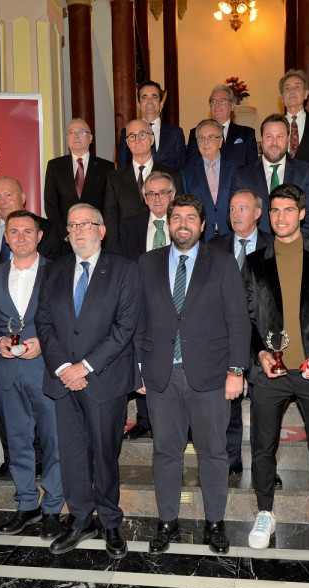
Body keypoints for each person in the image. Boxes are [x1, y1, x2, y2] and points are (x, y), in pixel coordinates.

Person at [135, 194, 250, 555]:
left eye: (190, 217)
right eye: (176, 217)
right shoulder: (147, 263)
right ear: (168, 224)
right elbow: (138, 320)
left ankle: (215, 523)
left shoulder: (222, 262)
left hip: (212, 375)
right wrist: (139, 367)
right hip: (161, 376)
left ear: (203, 225)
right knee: (165, 452)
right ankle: (167, 521)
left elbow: (238, 320)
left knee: (214, 453)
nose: (182, 223)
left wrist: (236, 370)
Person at [241, 183, 309, 555]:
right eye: (274, 211)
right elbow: (247, 318)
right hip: (270, 371)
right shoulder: (255, 262)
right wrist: (259, 354)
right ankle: (265, 512)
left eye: (288, 210)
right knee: (262, 447)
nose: (281, 217)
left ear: (302, 213)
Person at [34, 203, 141, 559]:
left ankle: (110, 521)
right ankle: (81, 519)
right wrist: (65, 367)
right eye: (72, 225)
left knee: (105, 455)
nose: (79, 231)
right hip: (63, 380)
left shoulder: (124, 269)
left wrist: (85, 367)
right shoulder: (54, 271)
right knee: (73, 455)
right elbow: (44, 322)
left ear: (102, 229)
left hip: (104, 379)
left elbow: (125, 326)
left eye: (86, 224)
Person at [0, 210, 65, 541]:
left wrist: (44, 343)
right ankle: (27, 503)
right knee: (17, 442)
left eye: (27, 231)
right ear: (6, 236)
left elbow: (69, 317)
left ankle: (53, 508)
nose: (20, 237)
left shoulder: (57, 271)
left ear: (39, 236)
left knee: (54, 441)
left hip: (46, 368)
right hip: (8, 370)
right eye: (14, 231)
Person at [207, 189, 274, 475]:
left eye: (242, 209)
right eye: (232, 209)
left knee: (265, 406)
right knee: (229, 402)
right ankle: (231, 459)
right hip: (224, 336)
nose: (235, 214)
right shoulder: (213, 247)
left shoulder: (275, 246)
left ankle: (265, 466)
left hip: (265, 336)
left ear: (258, 213)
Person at [118, 170, 174, 441]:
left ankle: (179, 417)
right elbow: (123, 265)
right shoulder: (130, 225)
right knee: (141, 356)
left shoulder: (182, 222)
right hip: (140, 303)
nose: (157, 198)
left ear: (172, 195)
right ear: (144, 197)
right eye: (151, 193)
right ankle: (144, 419)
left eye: (163, 192)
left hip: (176, 303)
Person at [230, 114, 309, 239]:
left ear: (288, 139)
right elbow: (234, 216)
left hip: (295, 249)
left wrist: (292, 240)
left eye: (280, 136)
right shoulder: (242, 174)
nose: (274, 142)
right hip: (256, 251)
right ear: (261, 139)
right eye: (269, 136)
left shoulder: (305, 172)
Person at [0, 176, 62, 297]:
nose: (2, 201)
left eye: (8, 195)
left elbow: (53, 269)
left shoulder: (47, 227)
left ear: (23, 198)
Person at [104, 119, 183, 251]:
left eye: (142, 134)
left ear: (152, 139)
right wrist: (113, 253)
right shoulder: (114, 178)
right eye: (132, 136)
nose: (137, 140)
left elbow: (179, 212)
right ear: (127, 143)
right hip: (127, 247)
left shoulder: (172, 175)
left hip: (164, 244)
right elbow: (110, 218)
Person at [43, 118, 115, 232]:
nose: (76, 136)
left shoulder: (106, 167)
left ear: (90, 138)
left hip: (95, 234)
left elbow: (110, 206)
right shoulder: (55, 166)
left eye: (81, 132)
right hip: (65, 237)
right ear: (67, 139)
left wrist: (99, 231)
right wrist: (65, 234)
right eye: (71, 132)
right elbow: (50, 205)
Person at [182, 119, 237, 239]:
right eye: (201, 138)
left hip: (230, 236)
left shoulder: (236, 170)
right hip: (201, 239)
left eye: (211, 137)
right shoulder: (186, 172)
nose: (205, 142)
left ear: (220, 141)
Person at [116, 80, 186, 169]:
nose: (150, 101)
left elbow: (182, 169)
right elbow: (122, 168)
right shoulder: (127, 132)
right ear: (138, 105)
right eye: (144, 97)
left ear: (161, 104)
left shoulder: (176, 133)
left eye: (154, 97)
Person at [184, 84, 257, 167]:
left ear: (232, 106)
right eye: (213, 101)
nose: (217, 105)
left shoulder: (247, 134)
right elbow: (191, 166)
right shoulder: (196, 133)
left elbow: (252, 168)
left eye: (222, 101)